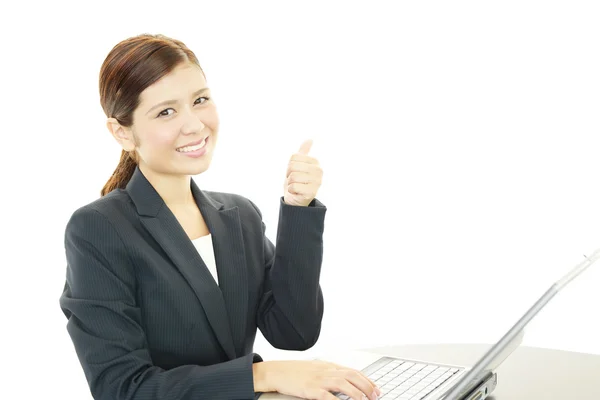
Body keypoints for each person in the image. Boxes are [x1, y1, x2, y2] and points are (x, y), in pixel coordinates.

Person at [58, 33, 381, 400]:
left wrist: (298, 209)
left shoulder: (238, 216)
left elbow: (295, 331)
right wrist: (263, 374)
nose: (194, 124)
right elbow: (123, 388)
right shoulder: (99, 228)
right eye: (166, 111)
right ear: (122, 132)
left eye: (200, 100)